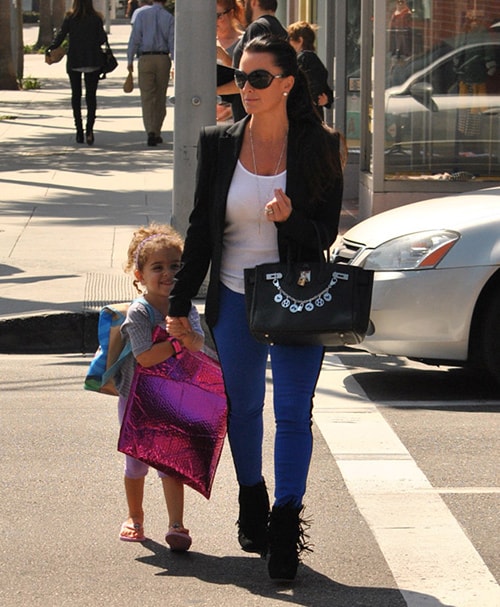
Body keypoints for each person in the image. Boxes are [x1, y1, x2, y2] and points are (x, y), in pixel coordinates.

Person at [168, 35, 346, 581]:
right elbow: (201, 229)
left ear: (288, 83)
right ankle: (253, 500)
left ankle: (287, 528)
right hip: (234, 298)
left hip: (296, 300)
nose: (247, 88)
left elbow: (325, 232)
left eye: (260, 79)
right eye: (242, 78)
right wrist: (179, 301)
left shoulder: (320, 146)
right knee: (243, 409)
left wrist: (289, 220)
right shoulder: (219, 141)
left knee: (292, 414)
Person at [116, 223, 205, 550]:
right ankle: (135, 515)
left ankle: (177, 525)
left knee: (171, 463)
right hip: (136, 401)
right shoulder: (140, 312)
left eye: (175, 266)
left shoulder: (186, 308)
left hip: (171, 398)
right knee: (136, 463)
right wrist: (178, 343)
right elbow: (145, 358)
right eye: (158, 267)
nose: (168, 273)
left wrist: (189, 337)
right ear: (139, 275)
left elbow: (199, 343)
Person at [46, 0, 107, 146]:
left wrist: (51, 48)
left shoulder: (70, 18)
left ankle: (79, 131)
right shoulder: (96, 18)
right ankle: (89, 130)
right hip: (93, 60)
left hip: (75, 61)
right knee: (91, 97)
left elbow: (61, 35)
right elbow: (102, 39)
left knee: (76, 95)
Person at [217, 0, 288, 121]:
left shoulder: (257, 28)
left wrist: (210, 91)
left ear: (254, 2)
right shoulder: (278, 28)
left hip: (253, 119)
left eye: (245, 2)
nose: (243, 8)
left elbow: (253, 78)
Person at [126, 0, 175, 147]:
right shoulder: (169, 17)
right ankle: (157, 130)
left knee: (147, 97)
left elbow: (134, 38)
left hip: (145, 58)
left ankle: (150, 131)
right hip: (162, 58)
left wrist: (129, 60)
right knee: (160, 95)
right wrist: (175, 61)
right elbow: (172, 41)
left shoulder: (141, 15)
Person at [287, 21, 334, 120]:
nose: (288, 43)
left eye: (290, 39)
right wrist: (326, 99)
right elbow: (325, 89)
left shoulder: (304, 59)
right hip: (314, 115)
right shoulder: (314, 60)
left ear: (300, 40)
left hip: (304, 116)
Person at [216, 0, 245, 122]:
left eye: (218, 16)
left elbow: (246, 79)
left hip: (237, 114)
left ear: (231, 13)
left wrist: (225, 57)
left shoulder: (244, 41)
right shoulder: (202, 41)